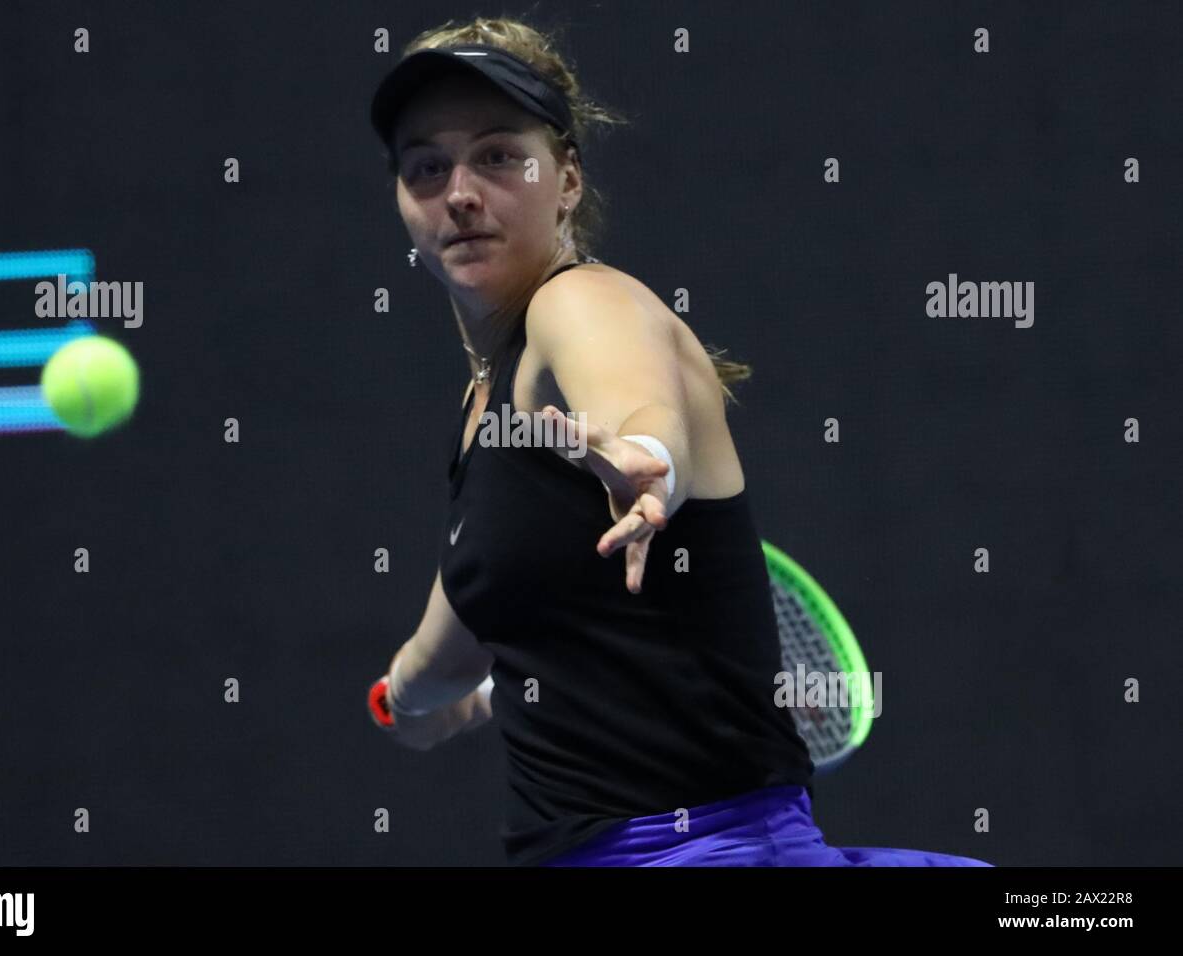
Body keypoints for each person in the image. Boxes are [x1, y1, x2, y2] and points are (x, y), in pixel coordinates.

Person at [366, 16, 990, 868]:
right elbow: (447, 646)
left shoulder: (580, 304)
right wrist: (404, 700)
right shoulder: (483, 419)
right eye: (426, 166)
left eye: (499, 156)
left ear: (569, 179)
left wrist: (648, 459)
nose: (461, 191)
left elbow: (634, 400)